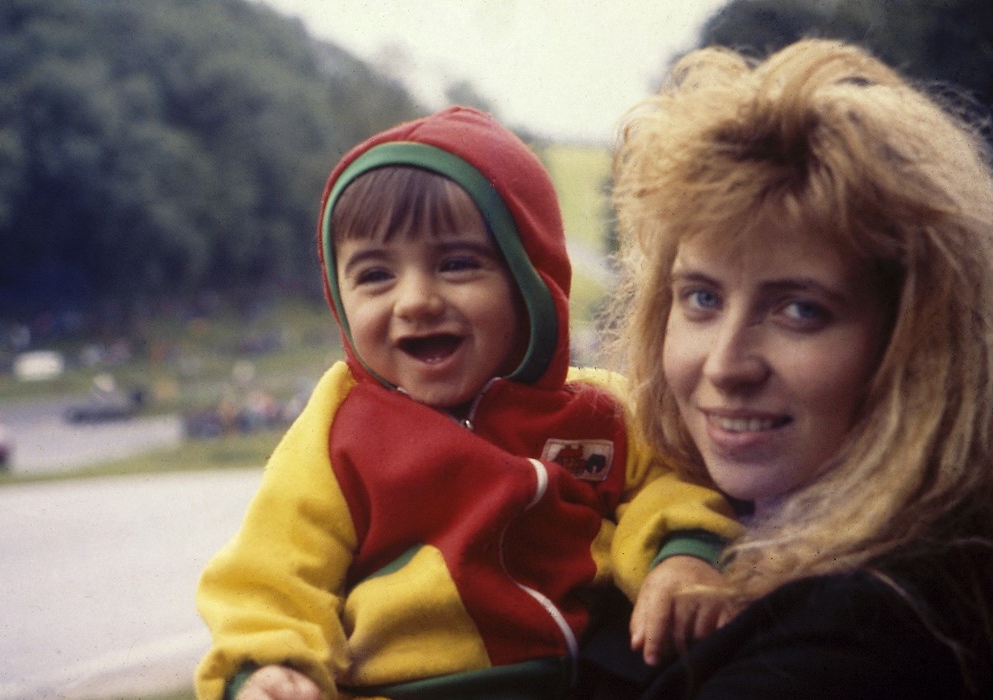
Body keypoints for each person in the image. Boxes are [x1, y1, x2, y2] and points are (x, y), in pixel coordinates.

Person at [194, 106, 742, 700]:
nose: (416, 300)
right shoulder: (340, 427)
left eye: (457, 264)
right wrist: (270, 667)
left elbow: (667, 480)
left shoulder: (598, 412)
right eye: (376, 275)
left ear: (530, 280)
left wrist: (683, 554)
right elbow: (274, 570)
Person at [577, 39, 993, 699]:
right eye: (703, 298)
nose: (725, 363)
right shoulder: (677, 511)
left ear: (917, 345)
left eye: (800, 310)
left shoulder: (864, 636)